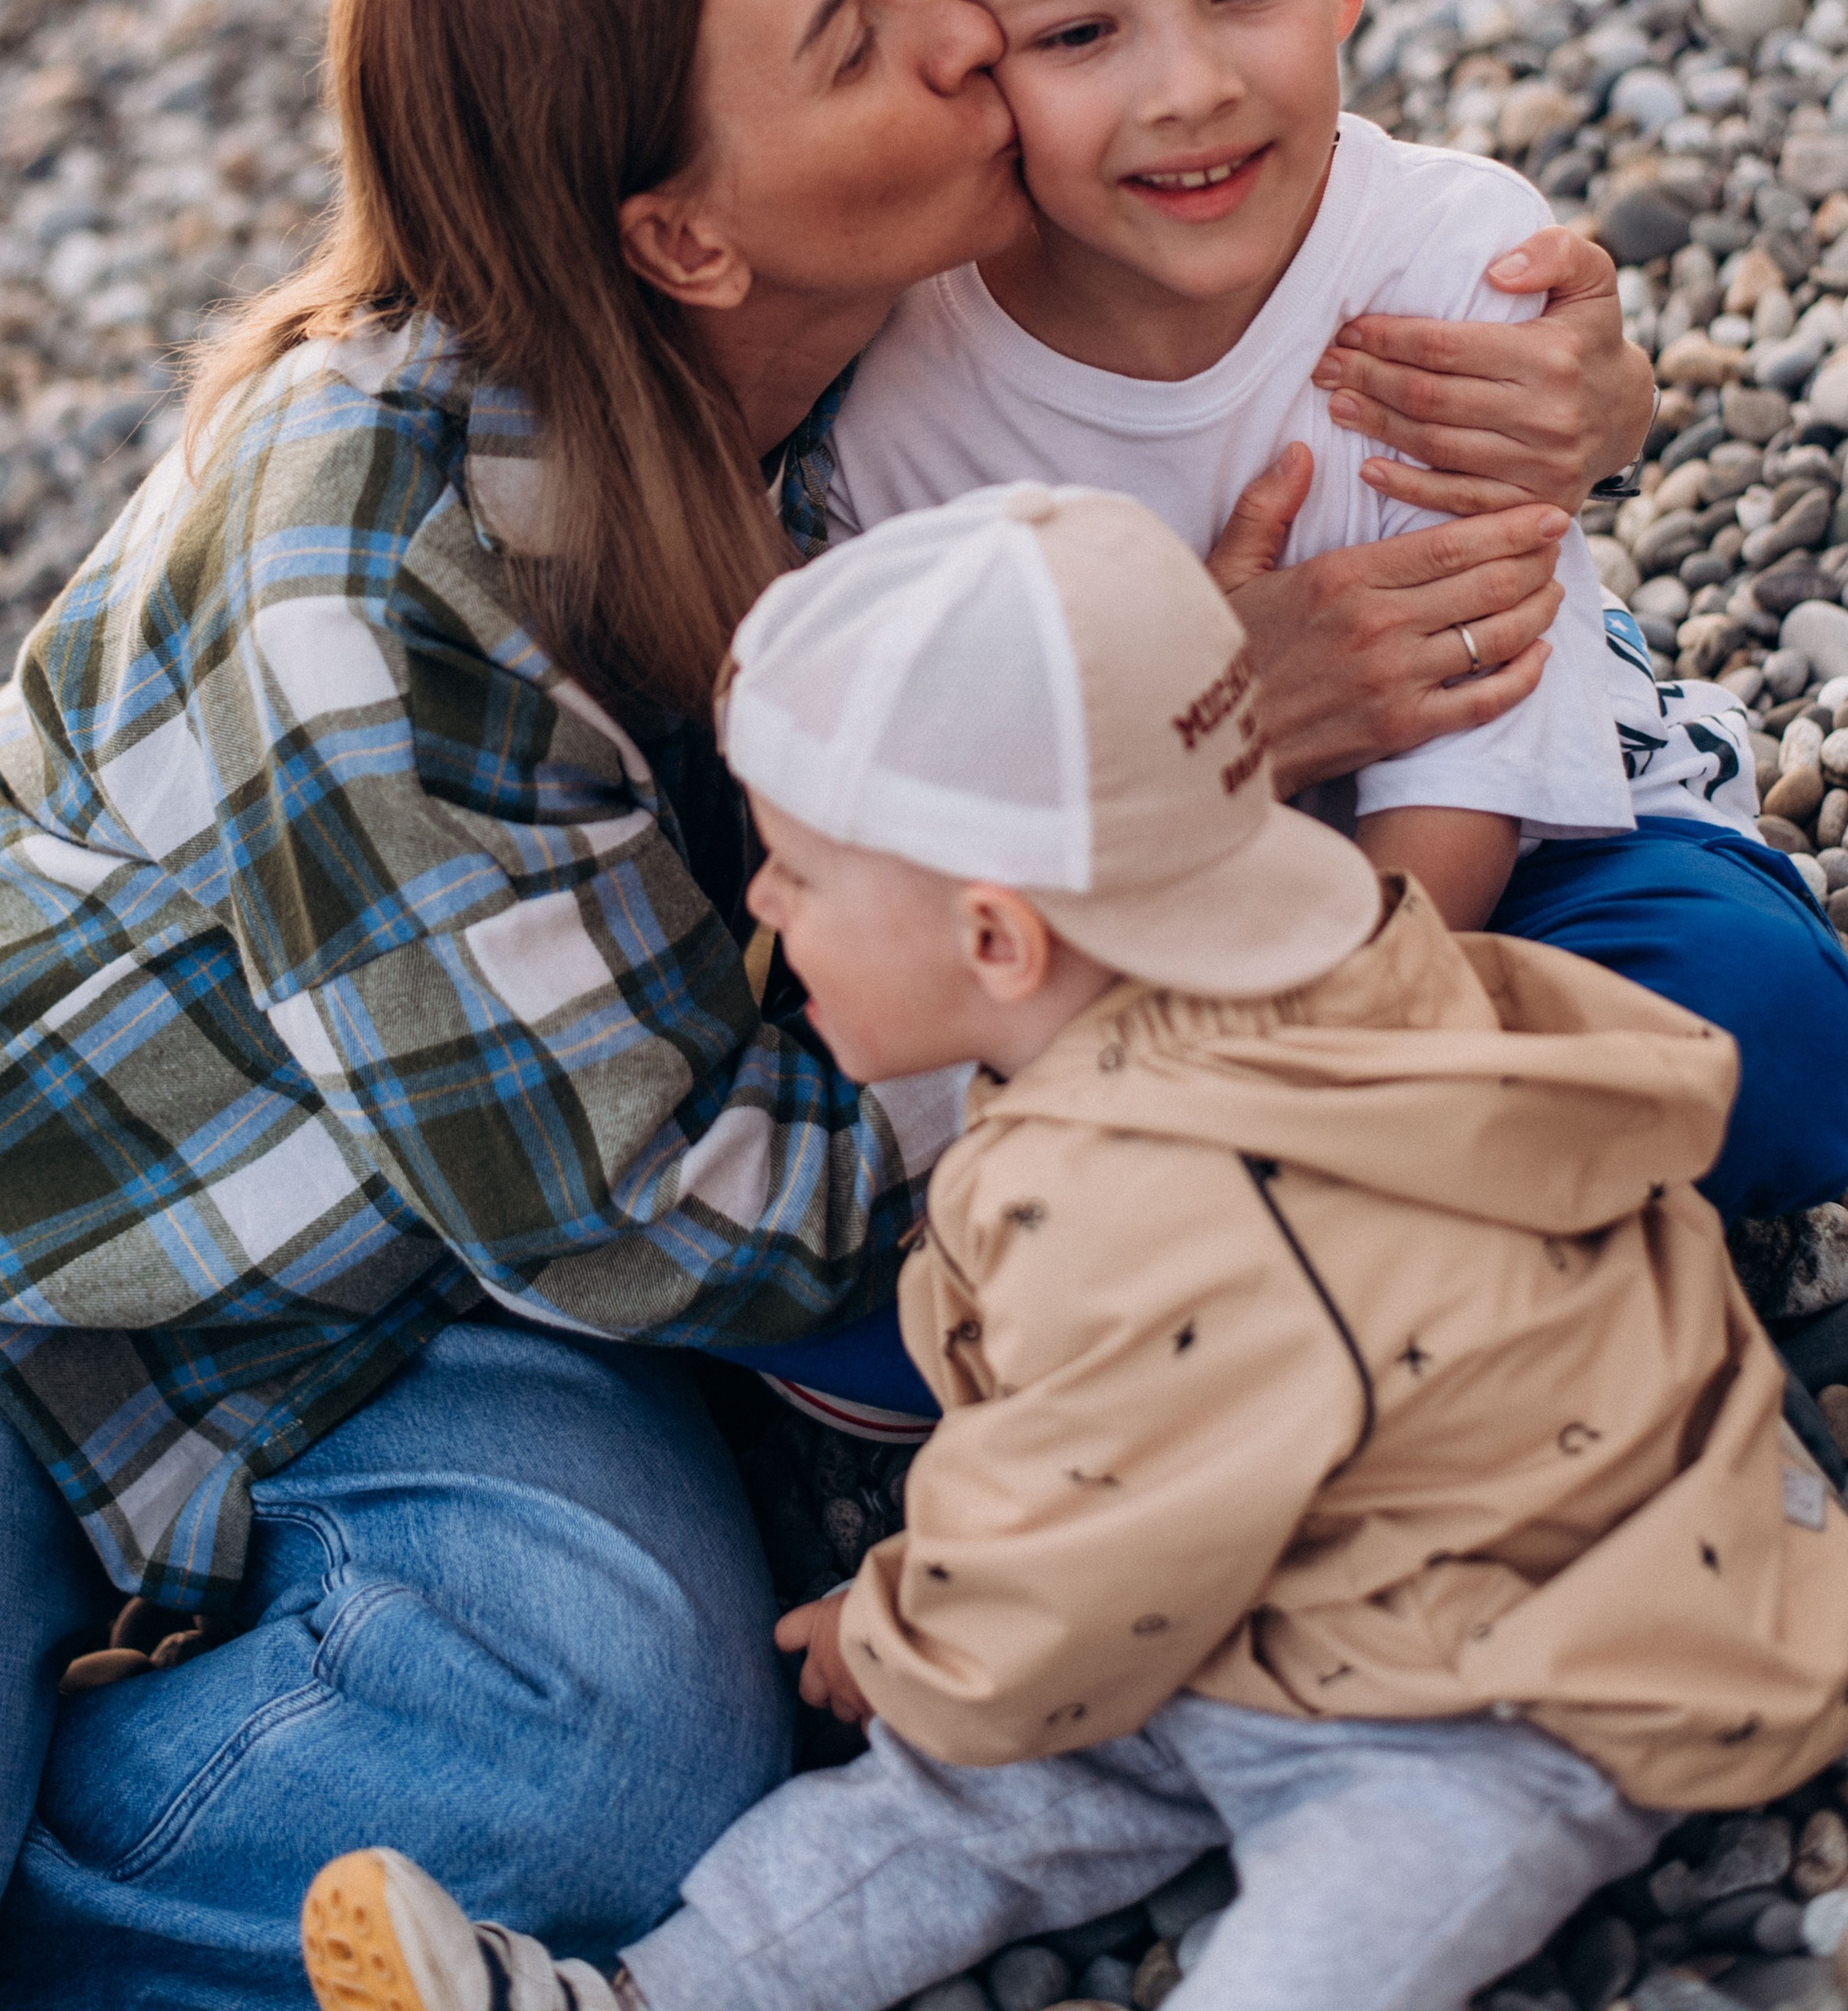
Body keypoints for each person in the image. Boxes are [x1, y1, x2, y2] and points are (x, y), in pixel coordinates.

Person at [0, 0, 1645, 2011]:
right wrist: (1150, 763)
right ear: (681, 237)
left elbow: (1279, 198)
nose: (963, 27)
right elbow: (667, 1213)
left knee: (622, 1768)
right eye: (860, 32)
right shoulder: (368, 562)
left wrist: (1569, 374)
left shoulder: (859, 337)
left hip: (436, 1310)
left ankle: (25, 1850)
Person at [304, 486, 1848, 2011]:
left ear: (997, 939)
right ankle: (635, 2000)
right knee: (955, 1798)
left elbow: (1090, 1528)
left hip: (1514, 1662)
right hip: (1261, 1600)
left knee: (1320, 1917)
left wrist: (897, 1634)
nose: (759, 900)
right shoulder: (1312, 953)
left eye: (799, 874)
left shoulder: (1140, 1197)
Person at [826, 0, 1848, 1208]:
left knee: (1759, 1019)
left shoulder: (1448, 256)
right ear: (965, 55)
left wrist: (1325, 1075)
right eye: (1079, 31)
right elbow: (955, 821)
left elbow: (1472, 760)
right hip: (1146, 951)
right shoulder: (905, 402)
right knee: (955, 1191)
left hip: (1521, 862)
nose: (1190, 87)